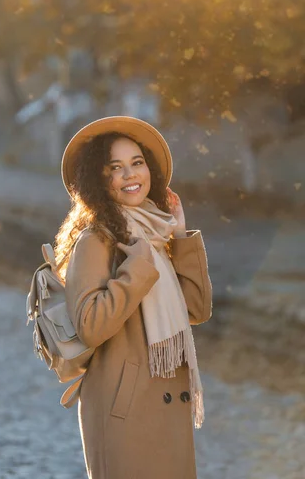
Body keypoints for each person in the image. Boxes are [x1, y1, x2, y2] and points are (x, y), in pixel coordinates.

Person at [54, 116, 212, 479]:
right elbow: (91, 325)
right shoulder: (96, 239)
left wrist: (182, 236)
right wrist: (136, 268)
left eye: (137, 163)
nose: (130, 174)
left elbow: (197, 309)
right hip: (123, 410)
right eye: (116, 167)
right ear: (99, 178)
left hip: (167, 401)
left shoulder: (155, 232)